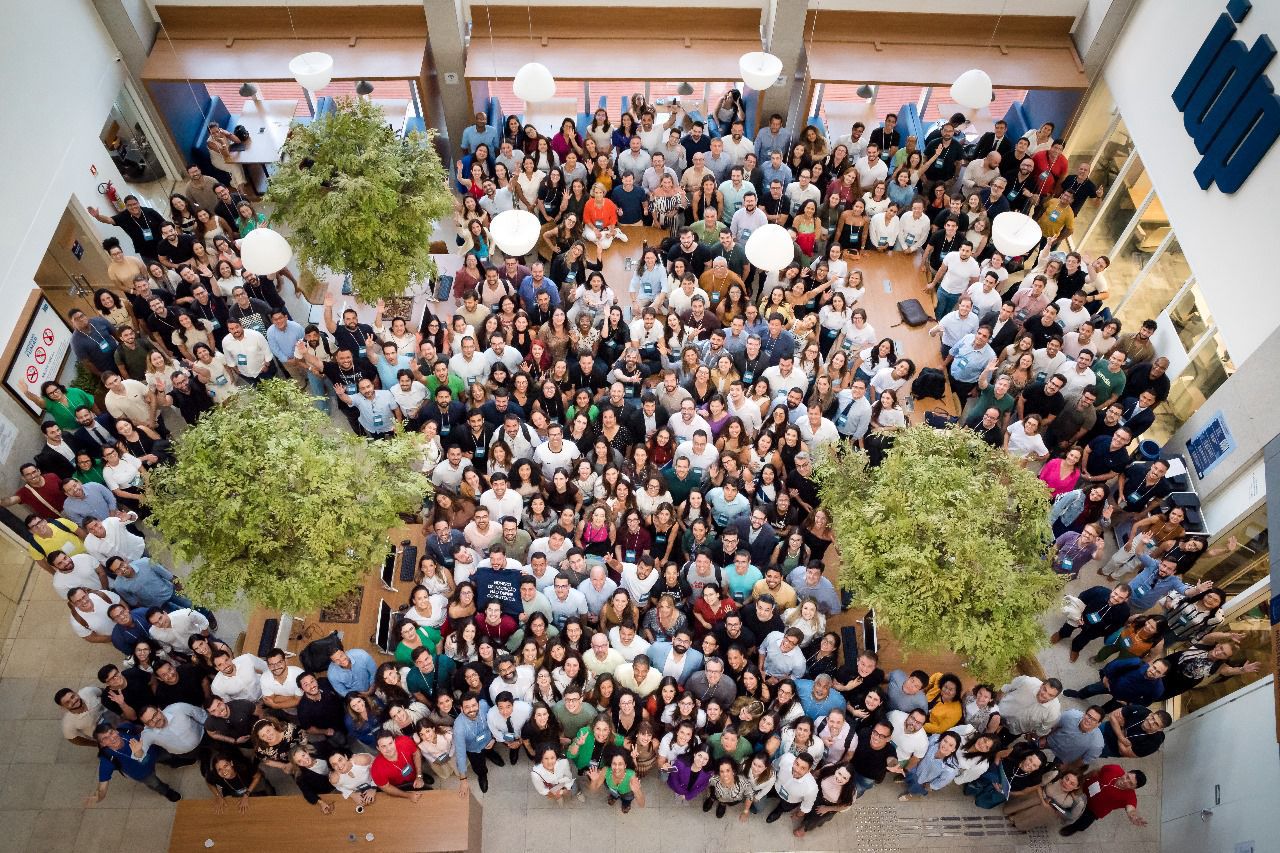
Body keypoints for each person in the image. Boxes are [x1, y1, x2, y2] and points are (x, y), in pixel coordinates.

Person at [1059, 765, 1148, 836]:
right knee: (1072, 803)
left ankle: (1074, 828)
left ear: (1134, 788)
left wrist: (1133, 815)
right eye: (1127, 777)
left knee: (1083, 823)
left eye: (1130, 783)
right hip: (1085, 789)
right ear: (1127, 772)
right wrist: (1084, 778)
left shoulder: (1130, 797)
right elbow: (1097, 771)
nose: (1125, 781)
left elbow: (1131, 808)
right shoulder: (1115, 768)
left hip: (1095, 810)